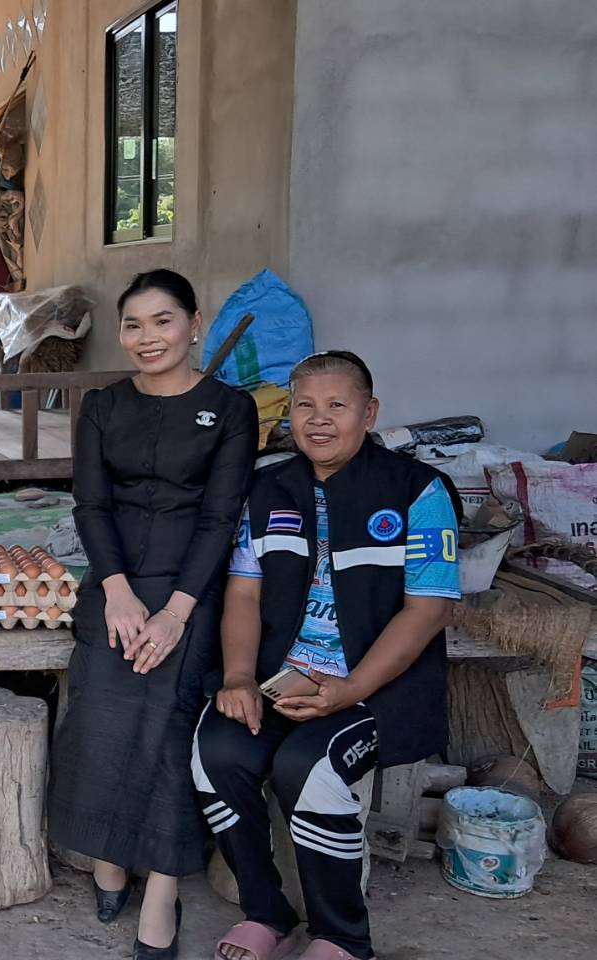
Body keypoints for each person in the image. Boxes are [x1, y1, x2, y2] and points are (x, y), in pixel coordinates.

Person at [197, 351, 460, 960]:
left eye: (337, 405)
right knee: (215, 755)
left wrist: (350, 689)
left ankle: (342, 935)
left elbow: (428, 610)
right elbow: (243, 592)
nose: (319, 419)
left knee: (308, 770)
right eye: (305, 406)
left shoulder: (417, 490)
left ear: (369, 413)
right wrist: (239, 676)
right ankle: (266, 913)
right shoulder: (268, 489)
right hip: (279, 676)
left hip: (377, 688)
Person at [48, 270, 256, 959]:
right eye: (133, 325)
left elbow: (221, 515)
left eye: (163, 321)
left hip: (191, 590)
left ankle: (162, 890)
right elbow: (91, 505)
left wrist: (175, 614)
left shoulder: (230, 409)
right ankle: (109, 857)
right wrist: (116, 591)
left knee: (169, 731)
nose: (147, 337)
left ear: (195, 324)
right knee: (100, 719)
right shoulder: (103, 406)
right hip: (115, 584)